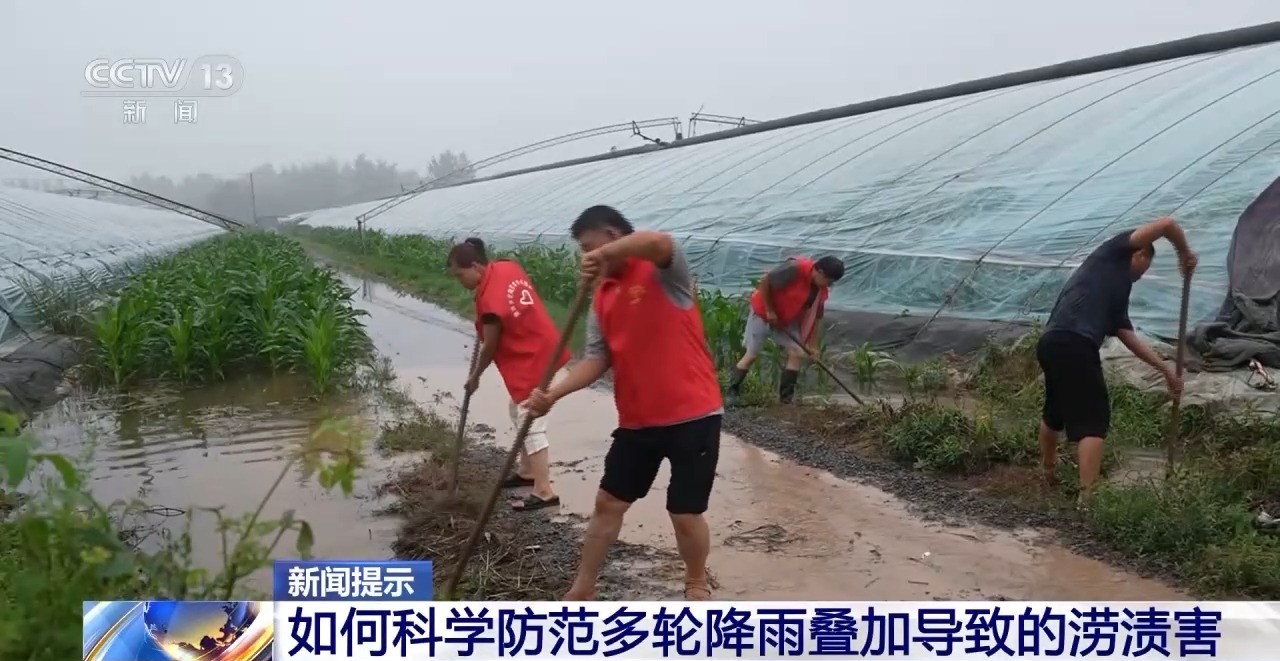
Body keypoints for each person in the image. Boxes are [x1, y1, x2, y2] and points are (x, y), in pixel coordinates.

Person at [524, 205, 723, 601]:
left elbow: (659, 241)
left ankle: (696, 581)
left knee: (684, 512)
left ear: (613, 236)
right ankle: (583, 587)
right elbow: (596, 359)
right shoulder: (602, 296)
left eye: (589, 247)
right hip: (637, 421)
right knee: (608, 503)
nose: (587, 257)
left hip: (694, 416)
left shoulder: (663, 271)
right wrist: (552, 395)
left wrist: (605, 255)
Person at [1037, 216, 1197, 504]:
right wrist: (1184, 253)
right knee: (1094, 422)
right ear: (1139, 254)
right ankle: (1088, 498)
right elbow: (1167, 224)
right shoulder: (1114, 251)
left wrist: (1165, 371)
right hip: (1077, 343)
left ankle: (1047, 474)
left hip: (1051, 341)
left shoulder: (1116, 290)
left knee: (1055, 411)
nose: (1140, 277)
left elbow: (1127, 336)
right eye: (1143, 270)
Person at [447, 237, 570, 512]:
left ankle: (544, 491)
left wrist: (475, 376)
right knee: (516, 408)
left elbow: (490, 347)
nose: (460, 282)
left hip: (533, 354)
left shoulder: (490, 301)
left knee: (529, 416)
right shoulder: (506, 267)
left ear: (475, 266)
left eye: (460, 275)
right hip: (542, 341)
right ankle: (527, 472)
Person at [724, 255, 845, 406]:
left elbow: (816, 317)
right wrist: (770, 311)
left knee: (797, 352)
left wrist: (813, 347)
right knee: (752, 354)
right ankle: (731, 392)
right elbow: (766, 281)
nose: (829, 285)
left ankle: (786, 399)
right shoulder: (795, 269)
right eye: (829, 281)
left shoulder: (820, 290)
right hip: (763, 313)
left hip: (787, 319)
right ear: (820, 272)